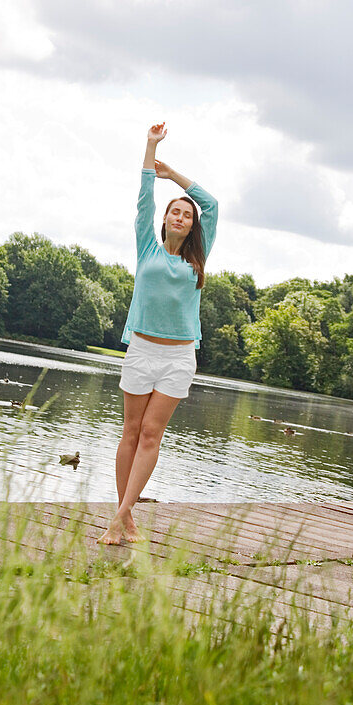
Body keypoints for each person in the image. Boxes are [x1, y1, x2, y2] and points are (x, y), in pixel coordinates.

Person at [98, 122, 218, 545]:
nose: (181, 216)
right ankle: (124, 514)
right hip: (142, 349)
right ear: (166, 219)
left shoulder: (198, 258)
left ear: (191, 226)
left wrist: (176, 175)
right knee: (131, 431)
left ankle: (121, 515)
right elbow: (143, 197)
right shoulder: (146, 246)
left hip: (179, 357)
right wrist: (151, 150)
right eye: (176, 211)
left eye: (187, 214)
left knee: (152, 434)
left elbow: (212, 203)